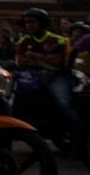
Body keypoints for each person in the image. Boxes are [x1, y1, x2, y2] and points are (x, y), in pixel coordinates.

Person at [14, 7, 81, 143]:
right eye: (26, 22)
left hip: (56, 76)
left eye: (32, 22)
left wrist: (34, 56)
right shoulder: (23, 41)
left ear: (42, 23)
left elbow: (58, 62)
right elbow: (20, 62)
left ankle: (80, 140)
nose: (29, 25)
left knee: (62, 104)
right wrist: (44, 58)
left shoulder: (58, 39)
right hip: (31, 77)